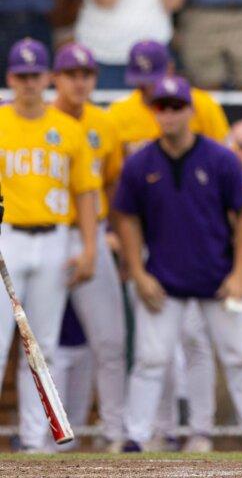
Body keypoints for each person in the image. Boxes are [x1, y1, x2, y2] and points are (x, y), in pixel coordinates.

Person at [114, 75, 242, 452]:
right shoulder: (140, 163)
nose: (168, 114)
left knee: (239, 359)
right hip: (164, 278)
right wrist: (137, 272)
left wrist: (239, 273)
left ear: (190, 110)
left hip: (218, 277)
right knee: (150, 360)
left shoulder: (220, 159)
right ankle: (136, 435)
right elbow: (125, 217)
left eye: (175, 106)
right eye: (161, 107)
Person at [0, 38, 99, 452]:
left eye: (35, 74)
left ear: (47, 78)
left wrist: (91, 247)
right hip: (7, 236)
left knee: (44, 344)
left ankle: (37, 438)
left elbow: (86, 193)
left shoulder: (71, 129)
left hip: (55, 237)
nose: (28, 83)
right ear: (10, 78)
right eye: (21, 75)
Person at [50, 43, 127, 451]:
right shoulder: (38, 119)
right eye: (71, 74)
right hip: (49, 232)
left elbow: (112, 179)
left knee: (110, 341)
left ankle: (115, 432)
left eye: (86, 75)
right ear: (55, 78)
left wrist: (107, 231)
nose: (79, 82)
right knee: (46, 343)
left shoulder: (104, 122)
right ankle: (50, 438)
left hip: (91, 232)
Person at [106, 39, 230, 158]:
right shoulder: (118, 111)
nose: (146, 87)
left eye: (152, 80)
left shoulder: (202, 103)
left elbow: (224, 155)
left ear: (170, 68)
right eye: (141, 81)